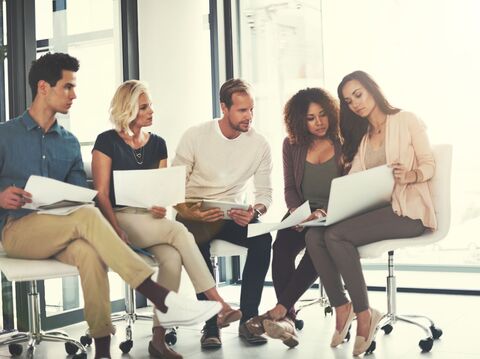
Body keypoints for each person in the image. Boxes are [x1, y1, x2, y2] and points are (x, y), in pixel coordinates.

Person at [0, 53, 220, 359]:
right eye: (67, 87)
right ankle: (159, 295)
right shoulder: (5, 134)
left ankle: (102, 351)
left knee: (91, 255)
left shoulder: (69, 142)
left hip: (65, 229)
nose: (74, 95)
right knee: (89, 217)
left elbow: (80, 194)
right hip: (18, 230)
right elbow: (91, 207)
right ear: (43, 87)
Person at [92, 79, 242, 358]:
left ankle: (158, 341)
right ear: (128, 109)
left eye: (151, 105)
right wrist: (115, 231)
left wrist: (159, 207)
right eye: (144, 106)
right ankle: (218, 304)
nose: (151, 111)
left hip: (149, 221)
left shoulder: (158, 143)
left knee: (172, 259)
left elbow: (161, 194)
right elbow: (101, 195)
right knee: (179, 233)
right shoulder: (106, 141)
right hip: (119, 218)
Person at [305, 70, 436, 356]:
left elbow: (429, 164)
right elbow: (354, 182)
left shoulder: (406, 120)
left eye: (358, 94)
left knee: (336, 236)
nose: (355, 104)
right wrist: (330, 209)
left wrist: (411, 175)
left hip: (408, 212)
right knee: (315, 235)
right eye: (348, 101)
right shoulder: (364, 137)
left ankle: (364, 313)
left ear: (372, 90)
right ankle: (342, 306)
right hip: (379, 211)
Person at [172, 78, 273, 348]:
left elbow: (265, 195)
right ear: (224, 108)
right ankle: (210, 325)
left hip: (233, 214)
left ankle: (248, 320)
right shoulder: (195, 136)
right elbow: (173, 188)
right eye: (242, 110)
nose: (249, 116)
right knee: (196, 242)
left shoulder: (259, 144)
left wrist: (254, 211)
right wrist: (192, 212)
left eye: (251, 109)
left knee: (263, 239)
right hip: (195, 213)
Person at [245, 88, 343, 347]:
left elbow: (353, 187)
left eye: (322, 115)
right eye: (311, 118)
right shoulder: (292, 144)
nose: (319, 122)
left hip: (336, 213)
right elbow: (289, 188)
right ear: (301, 121)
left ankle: (281, 313)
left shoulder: (344, 141)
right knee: (281, 246)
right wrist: (300, 213)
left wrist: (325, 213)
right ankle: (287, 318)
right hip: (303, 210)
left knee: (315, 245)